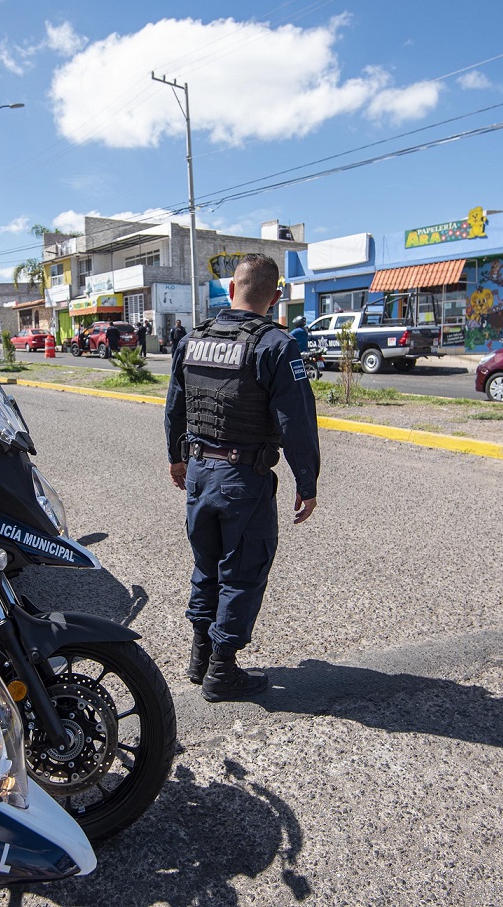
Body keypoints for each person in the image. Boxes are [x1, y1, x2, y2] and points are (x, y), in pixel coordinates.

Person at [164, 254, 320, 703]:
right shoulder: (276, 345)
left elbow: (175, 405)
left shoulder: (193, 339)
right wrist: (306, 484)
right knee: (242, 571)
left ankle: (199, 655)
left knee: (206, 564)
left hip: (198, 472)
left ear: (231, 291)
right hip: (241, 477)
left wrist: (177, 459)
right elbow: (297, 422)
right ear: (274, 298)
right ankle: (221, 670)